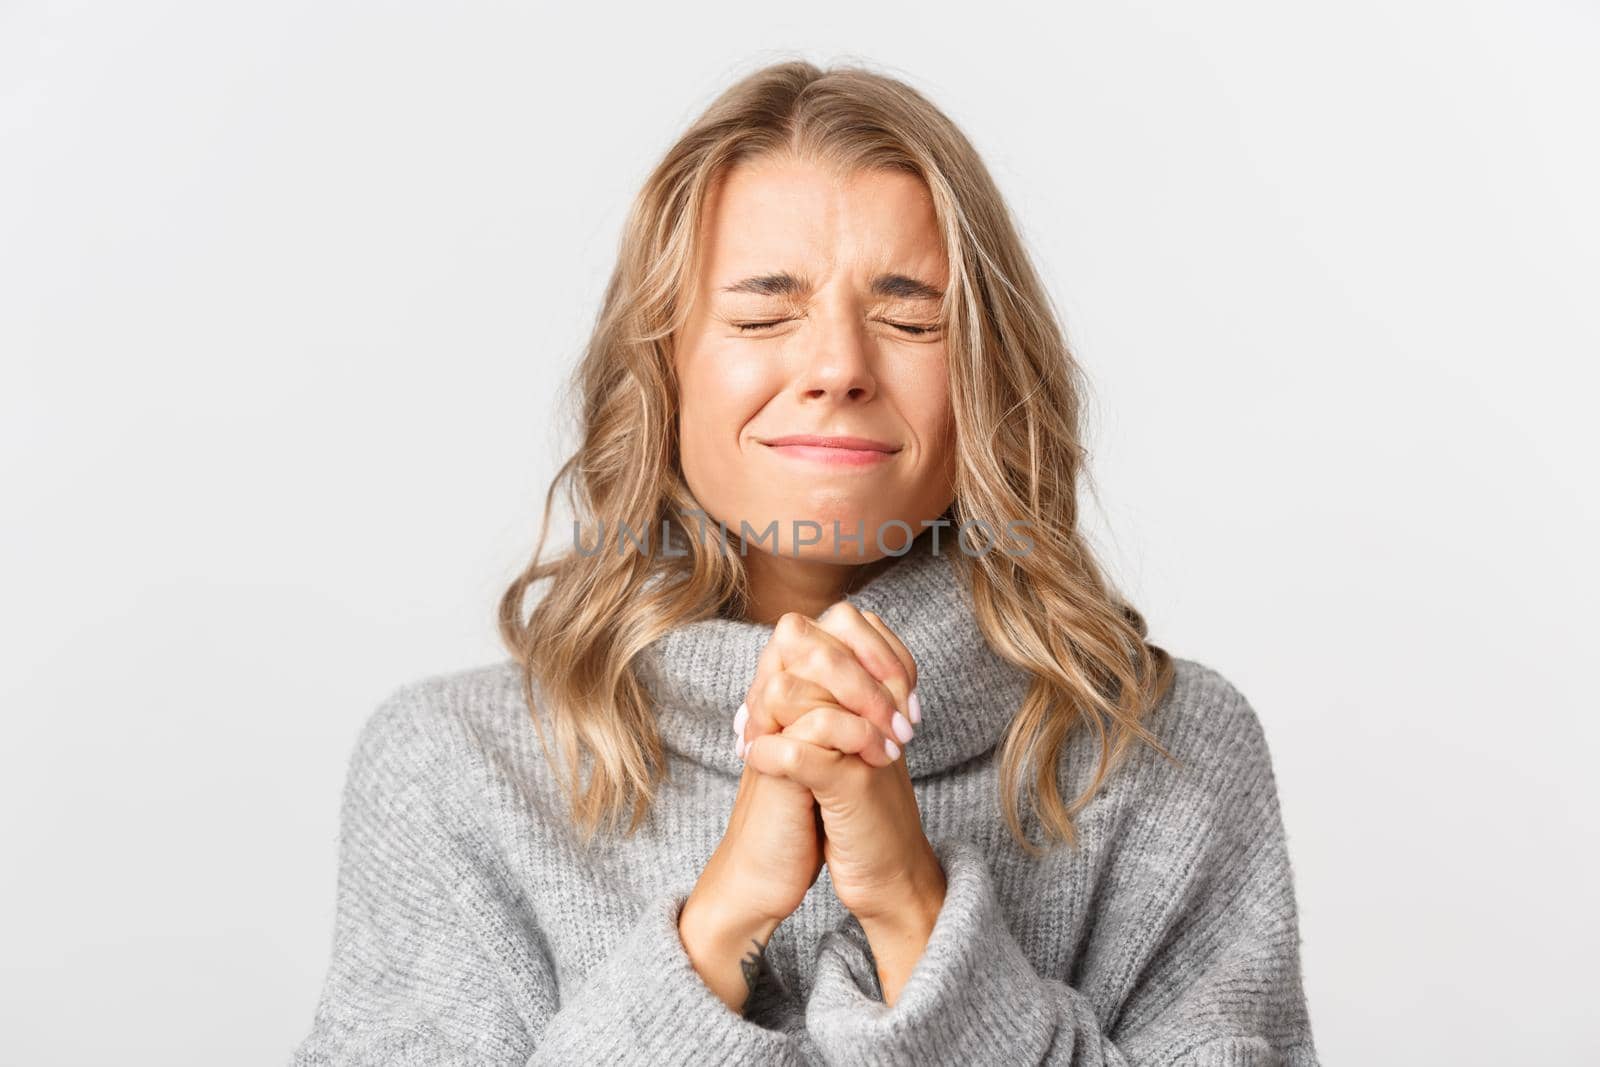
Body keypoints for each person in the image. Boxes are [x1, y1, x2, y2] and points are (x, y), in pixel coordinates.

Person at [292, 60, 1319, 1066]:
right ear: (661, 370)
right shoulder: (455, 767)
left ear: (986, 377)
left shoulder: (1168, 750)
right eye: (761, 313)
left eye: (910, 315)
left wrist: (912, 906)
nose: (837, 367)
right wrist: (721, 918)